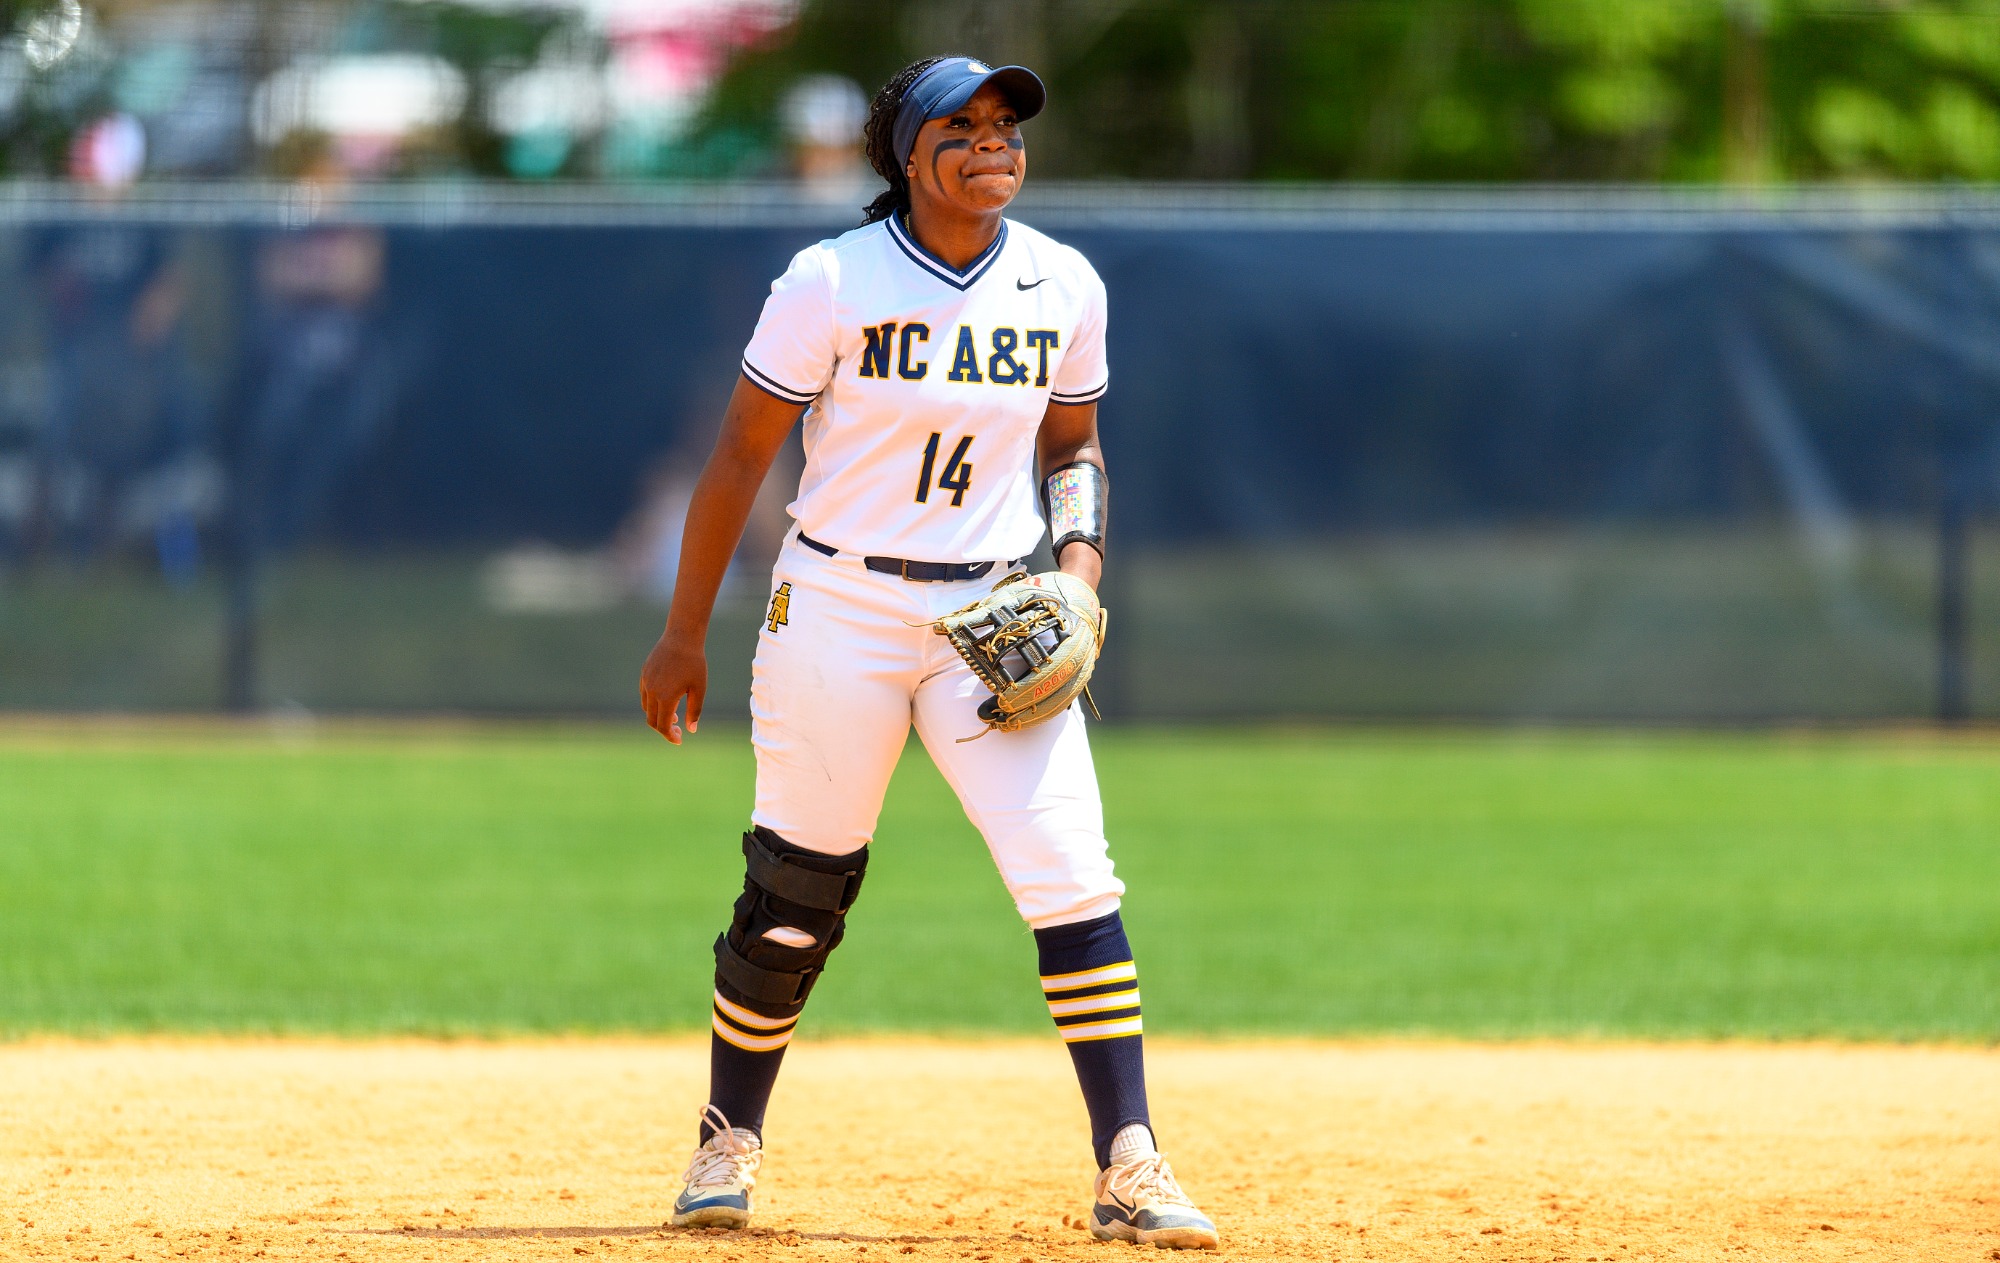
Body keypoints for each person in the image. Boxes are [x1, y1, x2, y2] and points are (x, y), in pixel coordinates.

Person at [638, 56, 1219, 1251]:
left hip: (986, 624)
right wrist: (682, 631)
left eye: (1006, 125)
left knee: (1070, 877)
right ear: (906, 154)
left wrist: (1078, 572)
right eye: (960, 126)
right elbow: (741, 458)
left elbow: (1075, 447)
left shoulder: (1061, 281)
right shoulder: (830, 281)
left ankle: (1130, 1162)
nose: (993, 143)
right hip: (835, 607)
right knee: (796, 896)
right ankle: (724, 1143)